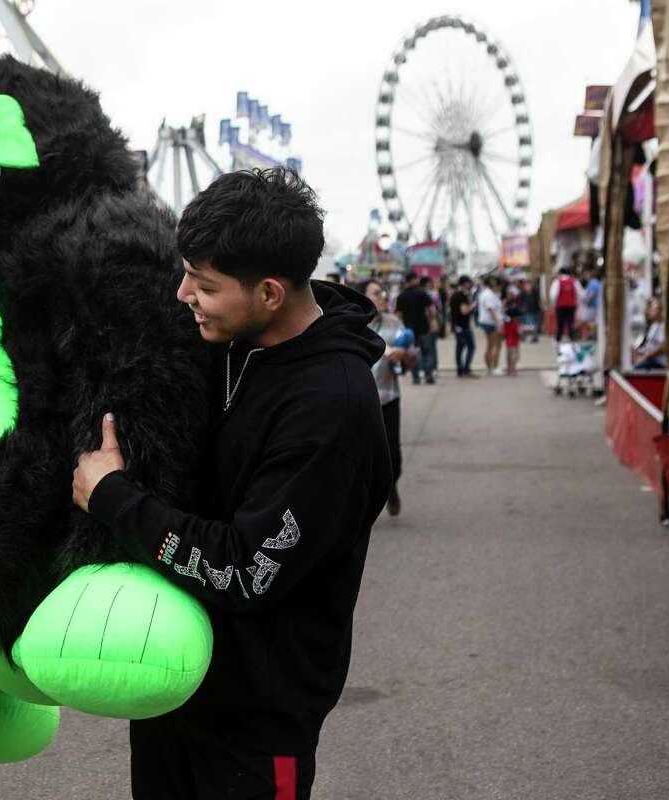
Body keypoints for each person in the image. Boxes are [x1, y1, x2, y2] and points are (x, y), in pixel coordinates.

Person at [72, 168, 391, 800]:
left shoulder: (333, 408)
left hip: (255, 722)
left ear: (270, 293)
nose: (183, 293)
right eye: (185, 271)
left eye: (205, 284)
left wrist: (113, 498)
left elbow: (244, 570)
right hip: (168, 690)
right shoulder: (218, 340)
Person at [364, 278, 414, 516]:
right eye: (375, 293)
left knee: (393, 455)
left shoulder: (395, 323)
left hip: (388, 397)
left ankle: (391, 486)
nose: (382, 297)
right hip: (360, 403)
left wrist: (403, 355)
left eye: (382, 293)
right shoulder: (351, 328)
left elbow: (412, 357)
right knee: (362, 455)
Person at [396, 271, 437, 384]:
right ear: (414, 280)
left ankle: (416, 377)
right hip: (424, 327)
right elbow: (432, 310)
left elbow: (399, 315)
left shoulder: (401, 296)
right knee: (427, 352)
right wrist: (432, 321)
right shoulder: (422, 293)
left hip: (409, 330)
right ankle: (429, 376)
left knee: (413, 353)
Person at [449, 275, 478, 378]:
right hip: (462, 325)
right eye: (469, 283)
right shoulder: (461, 295)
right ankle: (466, 369)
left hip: (458, 325)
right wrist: (473, 305)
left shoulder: (456, 294)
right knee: (470, 346)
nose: (470, 284)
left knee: (460, 348)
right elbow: (464, 310)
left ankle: (460, 370)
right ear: (465, 283)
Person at [477, 276, 504, 376]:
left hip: (488, 322)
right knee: (495, 345)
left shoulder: (487, 293)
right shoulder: (489, 295)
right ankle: (494, 367)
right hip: (491, 322)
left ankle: (490, 367)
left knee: (490, 345)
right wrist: (498, 324)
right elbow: (491, 310)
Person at [632, 297, 667, 369]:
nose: (650, 311)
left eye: (654, 309)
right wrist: (637, 352)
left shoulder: (664, 326)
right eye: (650, 309)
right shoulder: (652, 325)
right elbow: (642, 344)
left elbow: (662, 347)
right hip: (649, 358)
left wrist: (644, 357)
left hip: (659, 361)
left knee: (637, 367)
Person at [550, 267, 581, 342]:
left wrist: (554, 305)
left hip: (560, 306)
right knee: (570, 323)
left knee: (560, 324)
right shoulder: (574, 282)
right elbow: (580, 293)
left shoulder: (557, 282)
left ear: (560, 273)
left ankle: (558, 339)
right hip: (571, 306)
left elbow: (553, 295)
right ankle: (572, 339)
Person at [502, 278, 524, 376]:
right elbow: (519, 331)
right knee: (514, 354)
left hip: (508, 338)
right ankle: (513, 369)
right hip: (515, 340)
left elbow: (503, 331)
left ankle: (508, 368)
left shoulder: (506, 321)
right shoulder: (516, 322)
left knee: (508, 353)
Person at [577, 266, 602, 339]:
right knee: (592, 322)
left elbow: (592, 295)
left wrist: (587, 303)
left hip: (592, 306)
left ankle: (584, 335)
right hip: (595, 305)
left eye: (585, 274)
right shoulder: (597, 282)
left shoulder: (593, 283)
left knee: (584, 320)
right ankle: (591, 335)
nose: (584, 276)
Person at [522, 277, 542, 342]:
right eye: (526, 285)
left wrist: (541, 307)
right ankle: (532, 336)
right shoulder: (523, 293)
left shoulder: (535, 292)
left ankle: (533, 336)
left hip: (535, 309)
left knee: (533, 324)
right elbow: (522, 302)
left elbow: (538, 301)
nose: (527, 286)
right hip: (528, 310)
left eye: (528, 285)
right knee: (529, 324)